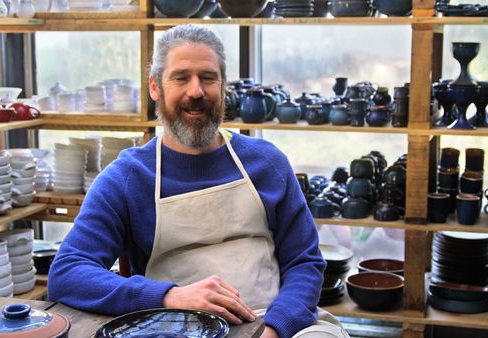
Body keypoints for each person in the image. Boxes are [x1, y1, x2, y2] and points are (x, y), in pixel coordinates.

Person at [48, 24, 349, 338]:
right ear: (155, 87)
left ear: (223, 85)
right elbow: (68, 272)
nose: (196, 91)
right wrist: (169, 297)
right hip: (176, 327)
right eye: (181, 77)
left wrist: (275, 328)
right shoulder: (127, 177)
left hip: (277, 323)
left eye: (208, 77)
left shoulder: (266, 162)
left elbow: (305, 262)